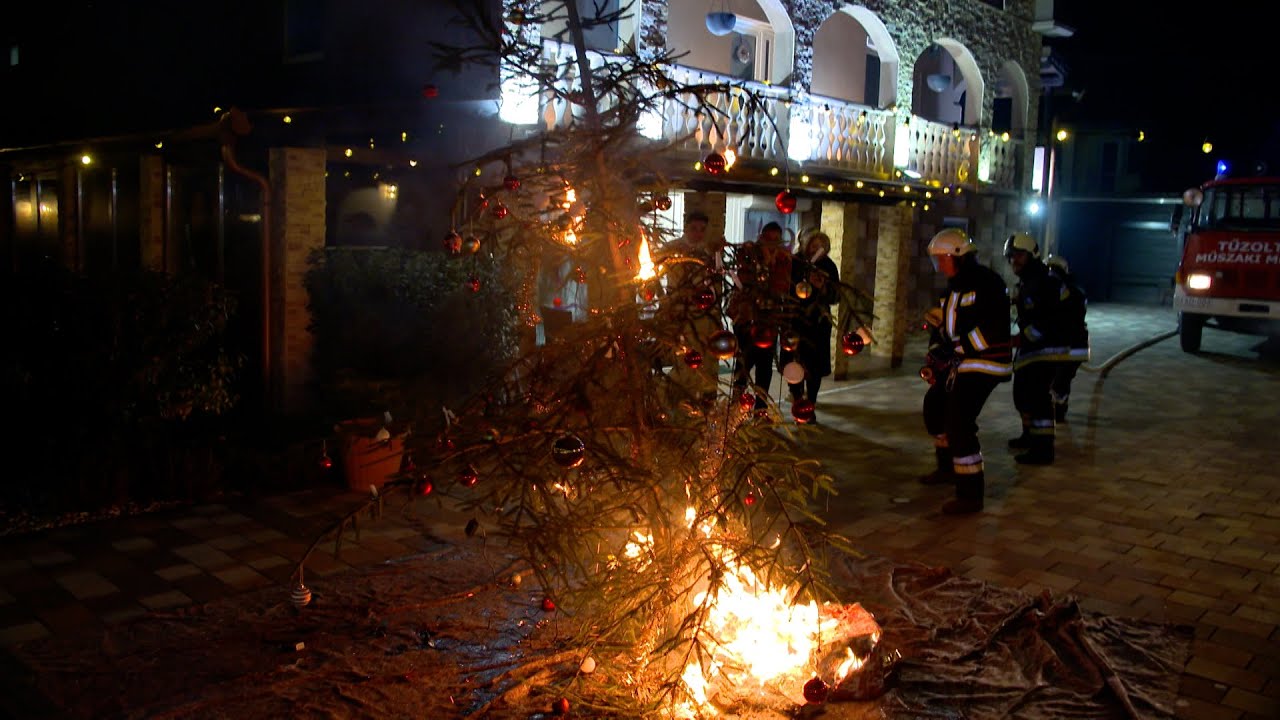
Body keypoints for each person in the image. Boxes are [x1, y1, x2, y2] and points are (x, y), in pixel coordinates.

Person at [919, 228, 1013, 514]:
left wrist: (960, 348)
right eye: (937, 261)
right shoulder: (952, 289)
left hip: (985, 361)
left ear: (959, 256)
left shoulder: (987, 283)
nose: (940, 266)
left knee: (959, 420)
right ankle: (947, 468)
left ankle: (970, 495)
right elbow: (941, 327)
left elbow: (994, 326)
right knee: (935, 406)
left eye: (943, 259)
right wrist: (937, 349)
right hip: (960, 362)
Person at [1005, 233, 1070, 464]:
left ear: (1032, 255)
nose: (1015, 261)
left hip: (1047, 350)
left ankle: (1043, 451)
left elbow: (1048, 321)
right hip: (1035, 349)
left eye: (1019, 256)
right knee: (1023, 395)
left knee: (1038, 399)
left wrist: (1020, 340)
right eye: (1011, 257)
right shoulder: (1031, 280)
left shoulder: (1044, 281)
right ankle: (1030, 438)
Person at [658, 210, 725, 400]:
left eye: (702, 230)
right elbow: (652, 276)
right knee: (685, 357)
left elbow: (717, 283)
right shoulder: (671, 249)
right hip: (682, 312)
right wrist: (664, 300)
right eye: (694, 229)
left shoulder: (708, 253)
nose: (698, 234)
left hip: (706, 314)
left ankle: (704, 401)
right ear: (686, 227)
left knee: (707, 358)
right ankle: (675, 399)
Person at [728, 222, 793, 408]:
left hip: (769, 318)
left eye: (776, 239)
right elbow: (742, 274)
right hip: (747, 315)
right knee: (744, 362)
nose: (772, 243)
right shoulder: (750, 253)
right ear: (762, 237)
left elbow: (783, 284)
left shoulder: (784, 259)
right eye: (768, 238)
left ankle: (761, 407)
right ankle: (735, 403)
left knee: (764, 364)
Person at [783, 230, 840, 414]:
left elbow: (835, 296)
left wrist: (822, 288)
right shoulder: (795, 262)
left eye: (821, 247)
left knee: (814, 365)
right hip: (795, 320)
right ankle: (797, 399)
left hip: (818, 321)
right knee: (795, 362)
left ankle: (811, 404)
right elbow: (786, 289)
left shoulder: (828, 266)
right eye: (814, 246)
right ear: (806, 245)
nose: (817, 250)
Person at [1045, 254, 1089, 422]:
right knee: (1057, 379)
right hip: (1063, 345)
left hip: (1072, 346)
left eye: (1053, 271)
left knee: (1060, 381)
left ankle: (1060, 405)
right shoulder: (1068, 291)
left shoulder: (1073, 292)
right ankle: (1058, 406)